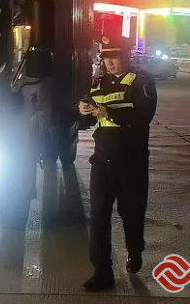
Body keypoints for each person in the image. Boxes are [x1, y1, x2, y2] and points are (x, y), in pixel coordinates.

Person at [79, 34, 158, 292]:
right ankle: (102, 271)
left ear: (126, 56)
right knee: (98, 215)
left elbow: (143, 115)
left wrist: (109, 112)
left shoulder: (142, 82)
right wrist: (83, 111)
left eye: (114, 57)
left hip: (130, 162)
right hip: (102, 160)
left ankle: (135, 249)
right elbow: (90, 116)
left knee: (131, 213)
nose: (109, 62)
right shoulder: (99, 83)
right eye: (106, 58)